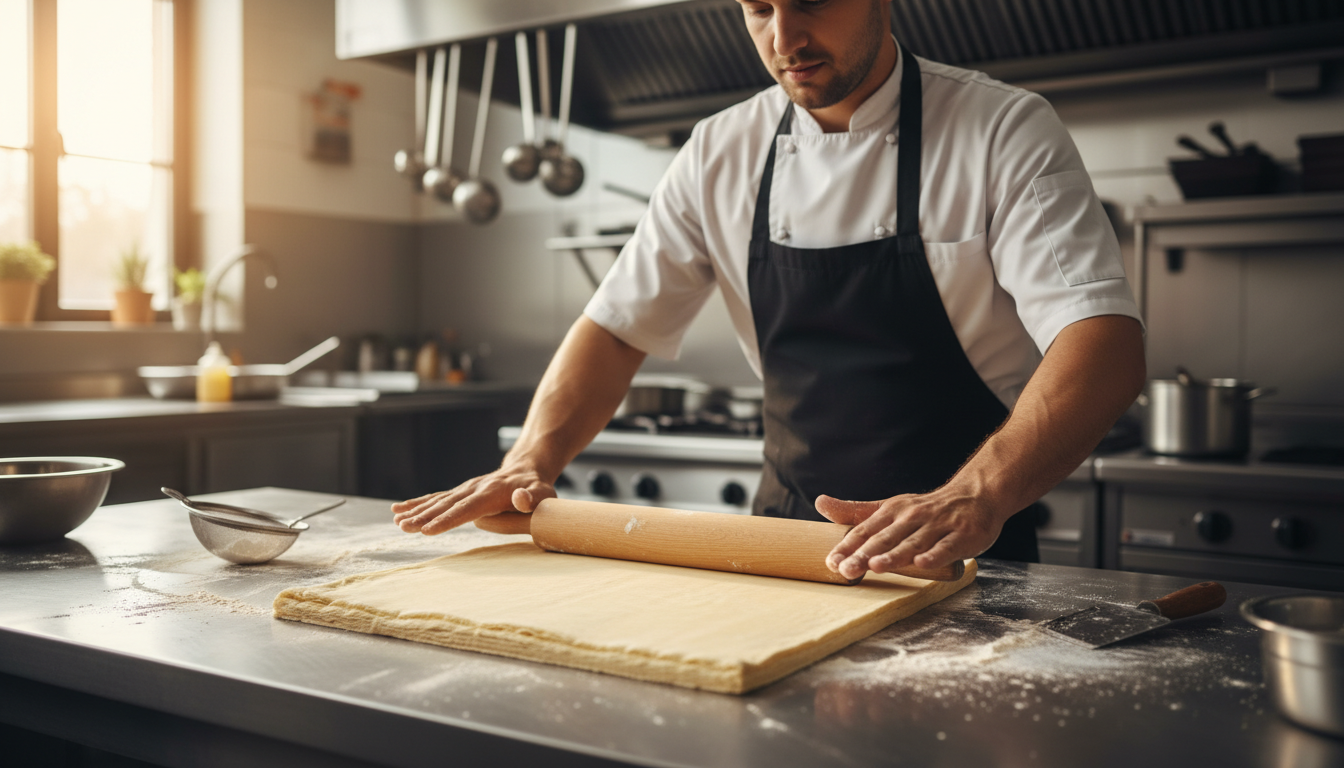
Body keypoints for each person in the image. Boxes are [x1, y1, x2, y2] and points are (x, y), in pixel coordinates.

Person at [393, 0, 1146, 579]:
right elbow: (617, 326)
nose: (785, 39)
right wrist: (532, 457)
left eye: (811, 2)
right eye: (759, 9)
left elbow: (1102, 343)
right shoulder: (720, 150)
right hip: (783, 548)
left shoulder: (1001, 129)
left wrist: (977, 495)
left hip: (964, 548)